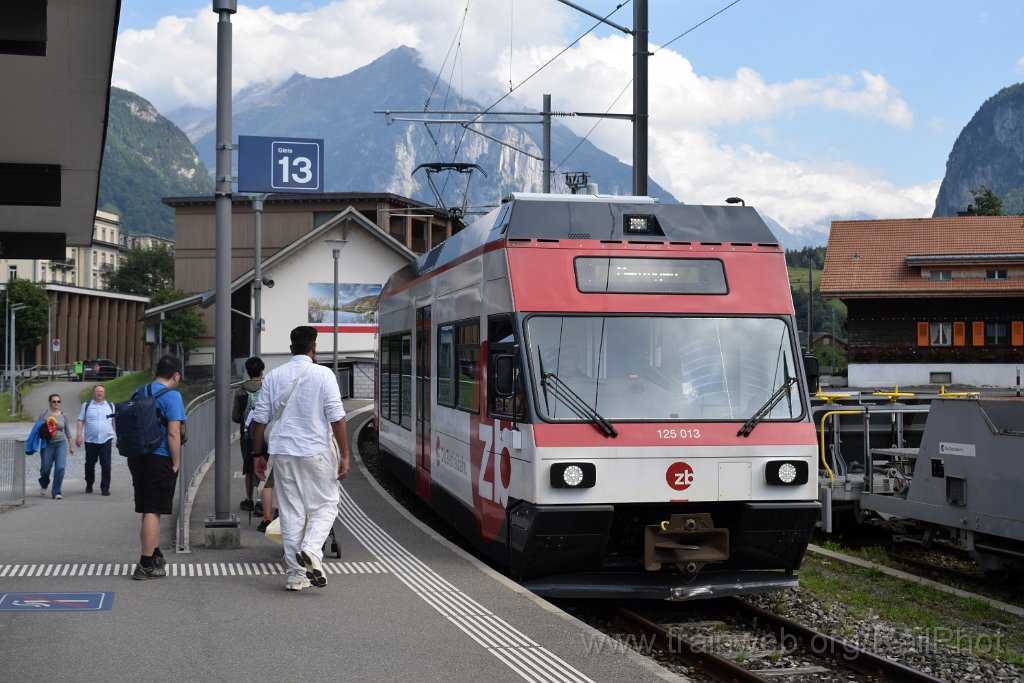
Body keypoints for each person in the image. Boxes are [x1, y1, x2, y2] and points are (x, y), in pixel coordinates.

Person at [251, 325, 350, 592]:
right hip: (316, 451)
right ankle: (312, 549)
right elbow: (337, 417)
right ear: (314, 348)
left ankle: (296, 575)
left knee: (292, 512)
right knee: (326, 505)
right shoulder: (324, 375)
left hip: (283, 452)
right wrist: (345, 455)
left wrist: (257, 455)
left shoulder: (274, 376)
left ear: (291, 348)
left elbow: (259, 419)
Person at [127, 355, 186, 581]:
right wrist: (176, 461)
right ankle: (145, 565)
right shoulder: (172, 396)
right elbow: (173, 433)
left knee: (148, 509)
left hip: (137, 457)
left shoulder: (139, 391)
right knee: (153, 510)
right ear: (176, 375)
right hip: (159, 458)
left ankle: (154, 552)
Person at [232, 355, 274, 530]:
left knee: (249, 466)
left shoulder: (240, 391)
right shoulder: (268, 388)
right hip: (267, 433)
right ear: (262, 371)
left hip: (247, 435)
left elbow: (235, 417)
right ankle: (261, 501)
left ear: (247, 372)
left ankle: (249, 499)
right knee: (267, 468)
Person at [76, 384, 116, 496]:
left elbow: (114, 421)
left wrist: (119, 436)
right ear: (94, 393)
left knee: (106, 464)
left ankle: (105, 487)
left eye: (101, 391)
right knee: (90, 464)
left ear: (104, 393)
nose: (99, 393)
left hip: (106, 439)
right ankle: (89, 483)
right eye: (97, 391)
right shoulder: (86, 405)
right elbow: (80, 420)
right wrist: (78, 435)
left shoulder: (111, 406)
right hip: (91, 440)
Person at [37, 393, 75, 500]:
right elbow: (37, 429)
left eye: (58, 401)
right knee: (45, 468)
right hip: (47, 444)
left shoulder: (64, 415)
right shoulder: (44, 414)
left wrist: (71, 446)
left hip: (60, 444)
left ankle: (56, 492)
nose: (56, 403)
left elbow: (68, 431)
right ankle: (44, 483)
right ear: (50, 403)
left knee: (60, 467)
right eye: (54, 401)